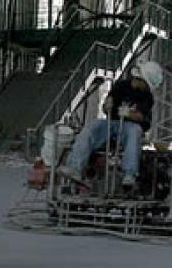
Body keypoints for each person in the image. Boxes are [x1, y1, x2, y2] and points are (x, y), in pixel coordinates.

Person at [58, 59, 163, 189]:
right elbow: (107, 104)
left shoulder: (146, 96)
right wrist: (107, 105)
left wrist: (129, 115)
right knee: (92, 127)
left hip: (129, 127)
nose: (146, 88)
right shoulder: (121, 86)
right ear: (141, 78)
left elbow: (142, 117)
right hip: (112, 123)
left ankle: (129, 173)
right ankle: (75, 167)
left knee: (134, 131)